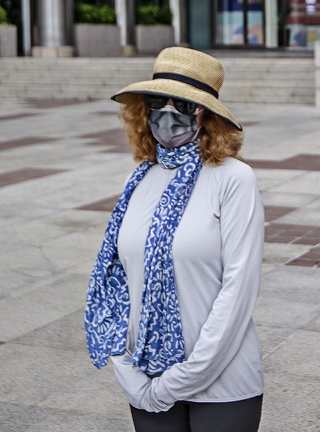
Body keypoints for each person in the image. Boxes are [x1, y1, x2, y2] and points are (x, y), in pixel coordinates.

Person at [85, 46, 265, 432]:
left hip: (223, 382)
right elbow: (114, 284)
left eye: (183, 105)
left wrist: (179, 381)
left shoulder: (234, 179)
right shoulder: (140, 179)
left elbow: (238, 290)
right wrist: (129, 374)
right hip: (144, 379)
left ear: (207, 114)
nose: (167, 113)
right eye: (156, 101)